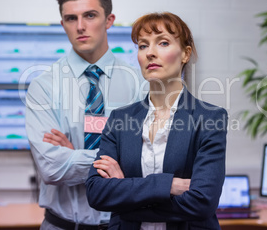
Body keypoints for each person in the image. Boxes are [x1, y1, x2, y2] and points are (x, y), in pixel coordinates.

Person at [86, 12, 228, 229]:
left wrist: (125, 193)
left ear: (185, 54)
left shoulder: (210, 118)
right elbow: (96, 193)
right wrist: (167, 185)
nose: (150, 53)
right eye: (143, 45)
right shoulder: (120, 119)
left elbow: (202, 202)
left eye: (163, 43)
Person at [25, 0, 143, 230]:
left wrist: (73, 154)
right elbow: (52, 169)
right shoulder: (43, 87)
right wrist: (115, 160)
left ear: (109, 20)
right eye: (71, 18)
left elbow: (149, 161)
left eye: (90, 15)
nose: (80, 27)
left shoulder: (140, 85)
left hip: (121, 225)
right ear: (63, 24)